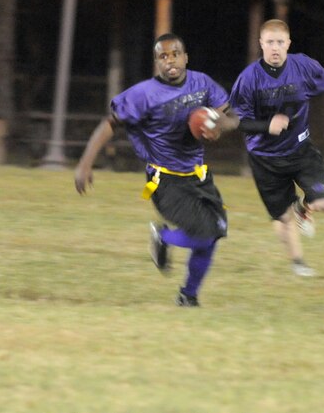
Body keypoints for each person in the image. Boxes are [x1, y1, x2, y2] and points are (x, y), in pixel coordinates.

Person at [75, 33, 239, 307]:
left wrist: (220, 124)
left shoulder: (202, 84)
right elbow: (110, 123)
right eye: (163, 56)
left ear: (185, 57)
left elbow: (233, 117)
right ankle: (163, 237)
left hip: (199, 177)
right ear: (156, 63)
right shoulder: (144, 94)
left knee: (214, 234)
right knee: (205, 232)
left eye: (175, 54)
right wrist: (85, 163)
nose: (170, 60)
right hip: (165, 181)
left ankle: (188, 296)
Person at [229, 19, 324, 277]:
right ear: (261, 44)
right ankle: (298, 263)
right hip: (265, 159)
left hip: (300, 150)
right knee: (282, 218)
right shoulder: (248, 79)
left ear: (288, 44)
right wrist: (265, 125)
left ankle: (303, 209)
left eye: (280, 42)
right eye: (270, 42)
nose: (275, 48)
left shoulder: (302, 66)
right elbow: (235, 120)